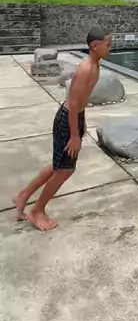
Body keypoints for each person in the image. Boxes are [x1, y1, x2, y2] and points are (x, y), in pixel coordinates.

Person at [13, 28, 112, 232]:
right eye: (108, 45)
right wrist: (74, 135)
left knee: (58, 165)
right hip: (67, 119)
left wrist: (81, 124)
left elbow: (81, 101)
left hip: (75, 117)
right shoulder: (86, 68)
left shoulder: (95, 63)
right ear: (95, 46)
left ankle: (23, 195)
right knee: (65, 169)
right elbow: (73, 103)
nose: (110, 48)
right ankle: (37, 210)